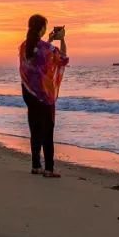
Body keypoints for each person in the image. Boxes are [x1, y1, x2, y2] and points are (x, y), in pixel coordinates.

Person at [18, 13, 69, 177]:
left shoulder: (24, 46)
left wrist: (49, 40)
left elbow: (37, 56)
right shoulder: (47, 49)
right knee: (47, 131)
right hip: (44, 96)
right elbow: (63, 59)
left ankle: (35, 166)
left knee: (35, 129)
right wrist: (61, 39)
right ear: (41, 28)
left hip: (29, 93)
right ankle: (49, 169)